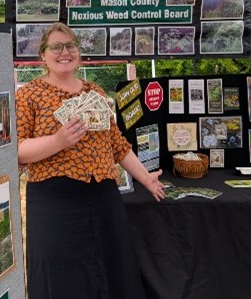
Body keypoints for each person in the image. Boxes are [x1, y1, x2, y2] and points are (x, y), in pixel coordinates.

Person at [16, 22, 165, 299]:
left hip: (102, 195)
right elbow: (17, 150)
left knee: (110, 268)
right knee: (63, 275)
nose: (65, 52)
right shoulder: (28, 95)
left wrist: (146, 178)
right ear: (43, 55)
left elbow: (117, 145)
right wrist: (57, 141)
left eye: (70, 45)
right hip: (53, 199)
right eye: (56, 47)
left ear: (79, 52)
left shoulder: (94, 91)